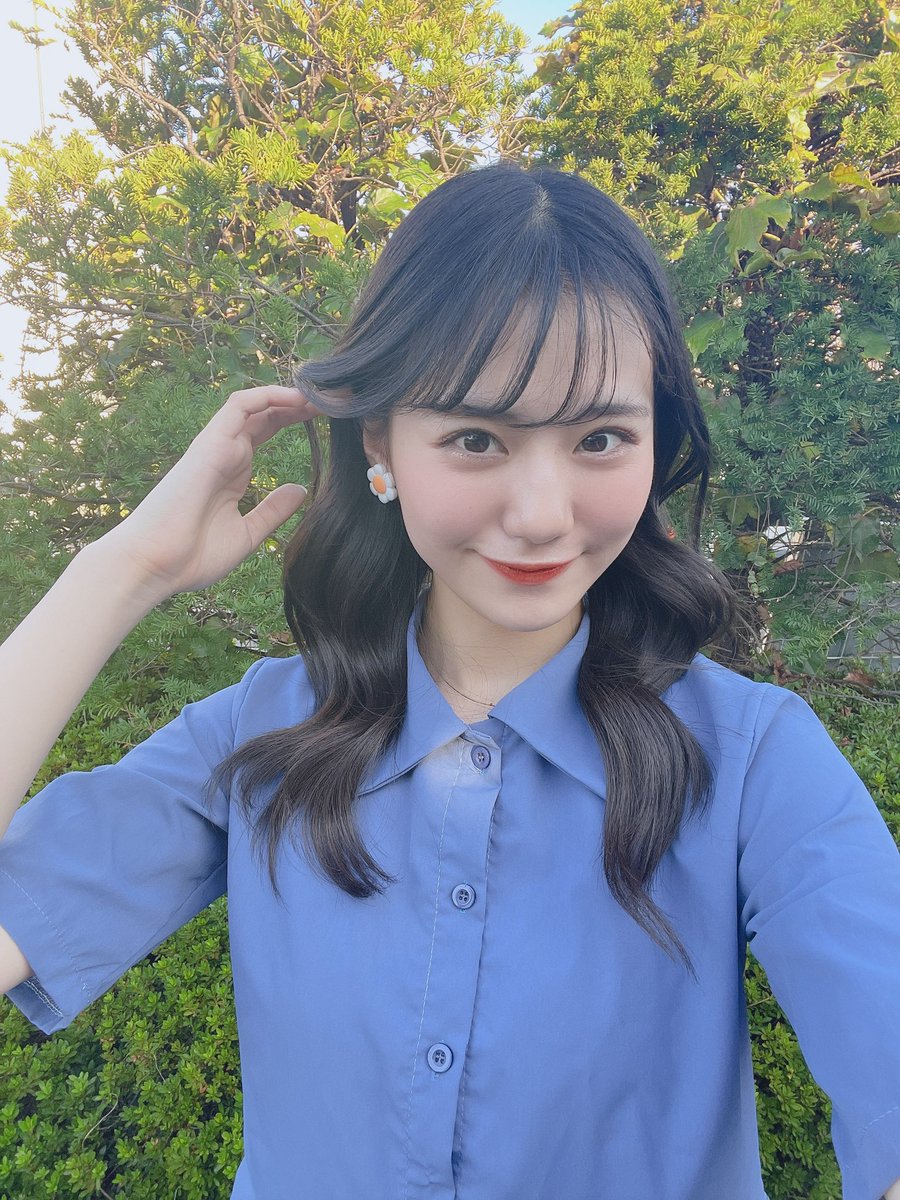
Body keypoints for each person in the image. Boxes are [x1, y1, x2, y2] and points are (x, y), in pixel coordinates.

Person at [0, 162, 897, 1200]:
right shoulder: (256, 737)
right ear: (379, 443)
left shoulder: (754, 763)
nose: (542, 514)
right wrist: (121, 570)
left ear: (656, 444)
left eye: (600, 437)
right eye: (476, 438)